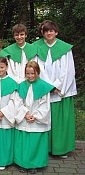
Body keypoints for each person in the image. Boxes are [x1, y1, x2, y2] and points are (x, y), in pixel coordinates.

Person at [33, 20, 77, 158]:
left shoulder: (65, 48)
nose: (49, 33)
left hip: (62, 90)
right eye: (46, 31)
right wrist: (49, 87)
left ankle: (61, 149)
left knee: (60, 121)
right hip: (44, 89)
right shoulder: (36, 47)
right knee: (43, 118)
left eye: (51, 31)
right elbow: (36, 68)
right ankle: (44, 148)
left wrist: (59, 87)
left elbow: (68, 70)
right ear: (42, 33)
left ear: (56, 32)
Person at [15, 61, 54, 174]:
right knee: (23, 142)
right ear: (25, 73)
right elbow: (18, 102)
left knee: (35, 143)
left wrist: (35, 116)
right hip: (24, 118)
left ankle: (35, 164)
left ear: (38, 73)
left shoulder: (43, 86)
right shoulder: (21, 85)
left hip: (36, 120)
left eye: (33, 73)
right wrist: (25, 113)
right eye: (28, 73)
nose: (30, 76)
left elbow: (44, 104)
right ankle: (22, 163)